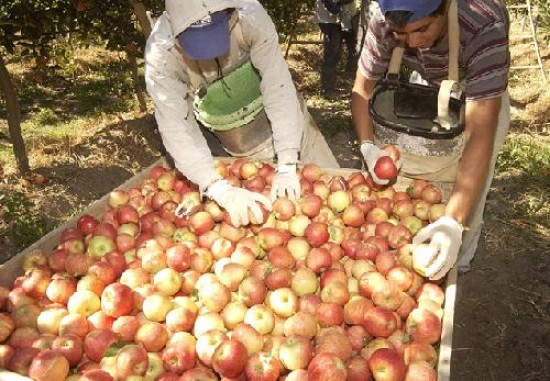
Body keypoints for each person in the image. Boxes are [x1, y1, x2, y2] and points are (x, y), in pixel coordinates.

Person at [145, 0, 339, 228]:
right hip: (230, 135)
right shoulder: (162, 54)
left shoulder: (250, 17)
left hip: (281, 118)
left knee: (327, 183)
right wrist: (213, 184)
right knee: (254, 212)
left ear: (231, 13)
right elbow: (176, 124)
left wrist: (287, 160)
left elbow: (277, 86)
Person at [352, 0, 510, 279]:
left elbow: (480, 131)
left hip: (478, 94)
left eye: (422, 29)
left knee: (469, 193)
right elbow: (362, 90)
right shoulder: (383, 17)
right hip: (424, 85)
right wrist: (367, 145)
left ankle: (455, 264)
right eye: (401, 35)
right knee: (410, 183)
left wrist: (453, 221)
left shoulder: (483, 23)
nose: (412, 42)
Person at [315, 0, 360, 97]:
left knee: (343, 53)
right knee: (332, 54)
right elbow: (330, 6)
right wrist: (334, 6)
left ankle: (332, 87)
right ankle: (326, 89)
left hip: (342, 18)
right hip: (329, 20)